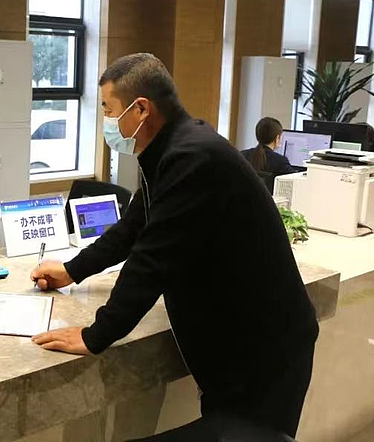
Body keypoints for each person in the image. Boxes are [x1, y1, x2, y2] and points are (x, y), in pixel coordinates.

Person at [30, 54, 318, 440]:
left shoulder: (191, 157)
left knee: (246, 432)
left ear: (141, 109)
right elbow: (134, 227)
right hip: (241, 345)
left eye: (108, 109)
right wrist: (72, 270)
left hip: (266, 352)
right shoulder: (171, 152)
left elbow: (151, 260)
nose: (106, 121)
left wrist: (96, 334)